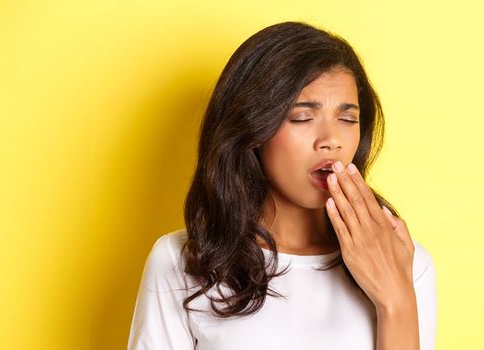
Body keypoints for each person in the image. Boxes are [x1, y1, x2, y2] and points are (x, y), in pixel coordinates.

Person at [127, 21, 437, 350]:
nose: (331, 141)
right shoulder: (182, 261)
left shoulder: (408, 263)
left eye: (347, 119)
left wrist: (396, 302)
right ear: (253, 129)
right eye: (302, 117)